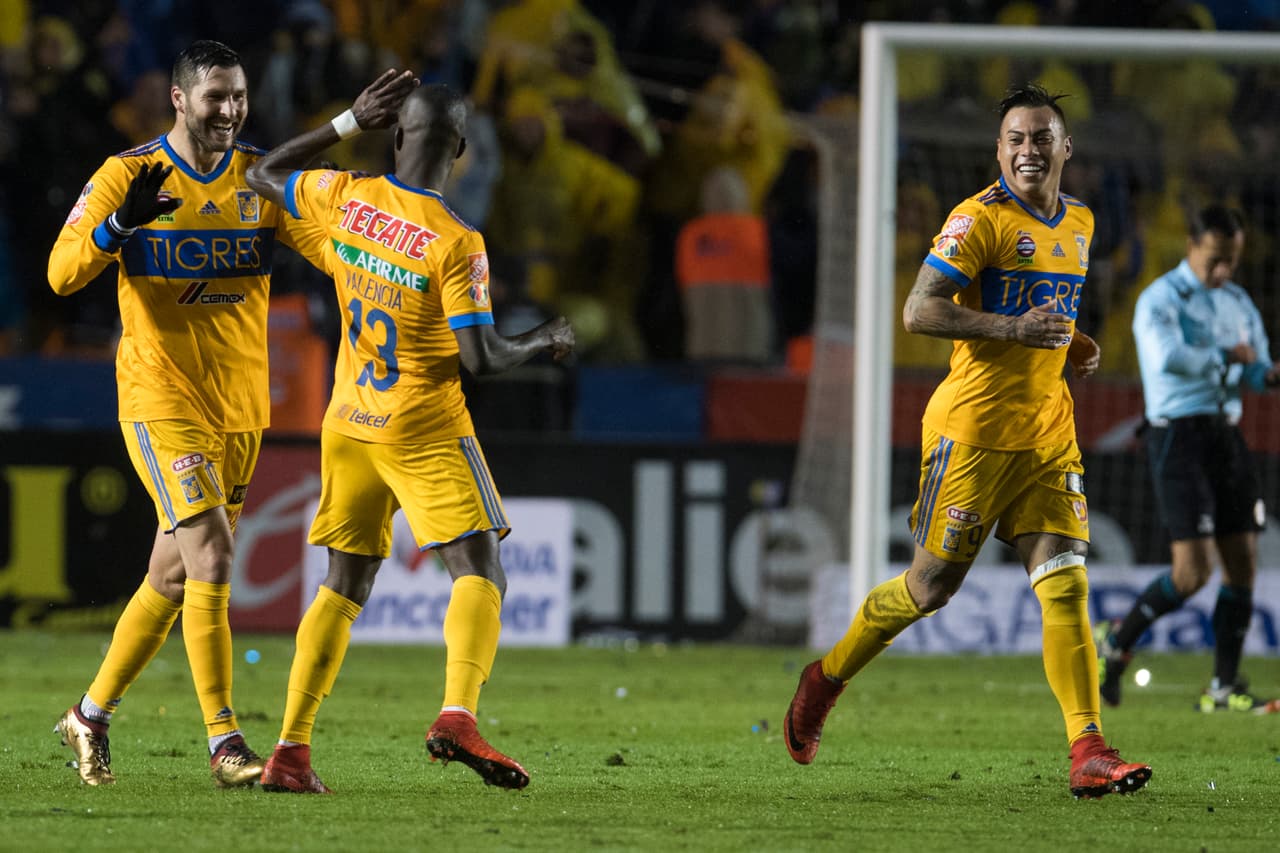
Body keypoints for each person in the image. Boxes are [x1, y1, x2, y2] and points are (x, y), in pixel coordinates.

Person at [783, 83, 1153, 799]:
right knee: (929, 587)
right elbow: (919, 309)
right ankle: (824, 678)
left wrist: (1069, 342)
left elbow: (1041, 306)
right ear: (999, 150)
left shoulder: (1080, 219)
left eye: (1042, 136)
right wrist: (1014, 332)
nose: (1028, 149)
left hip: (1048, 431)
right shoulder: (976, 219)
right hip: (973, 433)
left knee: (1065, 581)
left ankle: (1087, 747)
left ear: (1065, 149)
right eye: (1015, 137)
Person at [245, 75, 575, 793]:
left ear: (396, 135)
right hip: (421, 425)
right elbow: (481, 357)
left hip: (347, 422)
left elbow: (261, 171)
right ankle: (457, 714)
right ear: (459, 150)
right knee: (480, 568)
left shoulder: (346, 197)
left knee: (341, 587)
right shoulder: (457, 242)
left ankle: (290, 752)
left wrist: (343, 120)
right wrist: (542, 337)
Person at [47, 40, 327, 787]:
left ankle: (89, 713)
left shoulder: (259, 179)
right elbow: (61, 270)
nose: (230, 111)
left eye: (239, 97)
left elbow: (331, 246)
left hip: (240, 406)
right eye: (215, 98)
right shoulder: (128, 174)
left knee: (171, 578)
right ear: (179, 99)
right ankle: (225, 742)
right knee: (212, 554)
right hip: (159, 396)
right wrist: (117, 231)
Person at [1098, 205, 1279, 713]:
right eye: (1215, 260)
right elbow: (1166, 357)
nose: (1224, 272)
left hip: (1226, 433)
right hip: (1177, 435)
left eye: (1232, 261)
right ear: (1191, 247)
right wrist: (1228, 357)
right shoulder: (1161, 298)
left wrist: (1266, 375)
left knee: (1243, 561)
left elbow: (1254, 368)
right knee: (1192, 573)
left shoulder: (1239, 301)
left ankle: (1223, 687)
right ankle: (1117, 640)